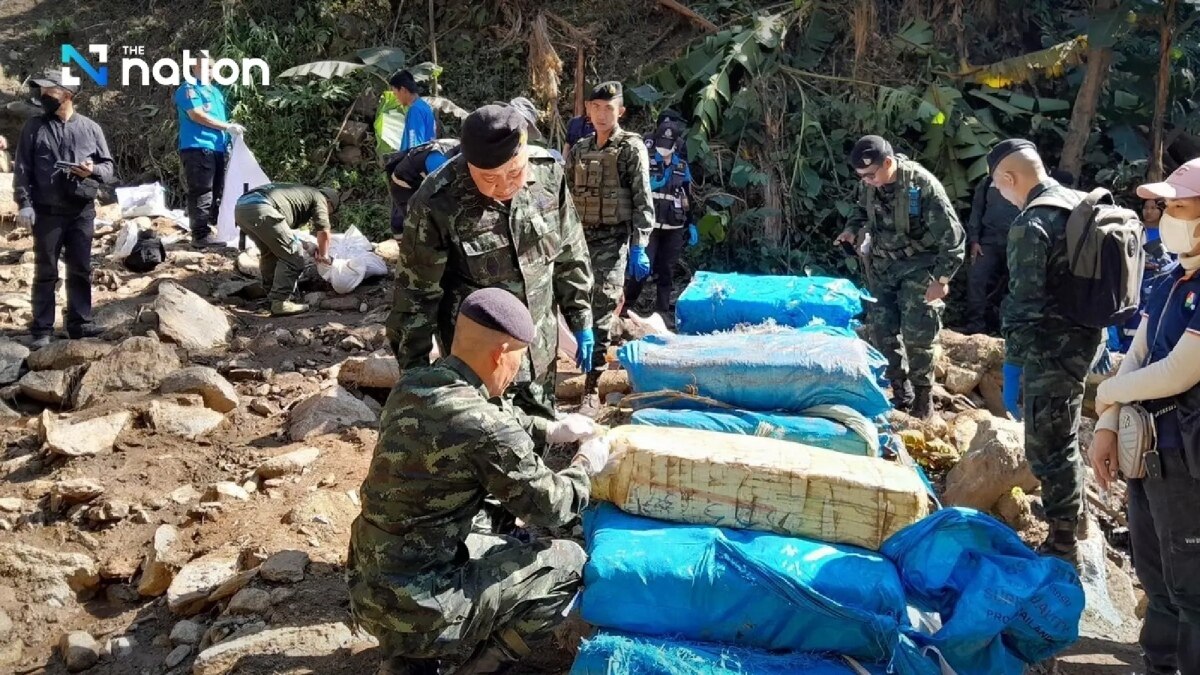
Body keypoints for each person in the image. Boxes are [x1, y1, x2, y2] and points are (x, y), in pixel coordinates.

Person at [348, 288, 609, 675]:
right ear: (500, 354)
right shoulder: (486, 427)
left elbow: (480, 420)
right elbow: (551, 506)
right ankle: (475, 668)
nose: (517, 372)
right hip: (421, 602)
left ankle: (405, 659)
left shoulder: (415, 385)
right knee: (567, 562)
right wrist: (586, 464)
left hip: (369, 585)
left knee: (493, 530)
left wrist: (551, 429)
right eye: (518, 361)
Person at [387, 104, 594, 421]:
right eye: (489, 178)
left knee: (540, 437)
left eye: (514, 172)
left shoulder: (549, 177)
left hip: (539, 350)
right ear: (468, 164)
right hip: (479, 365)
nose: (504, 185)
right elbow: (415, 295)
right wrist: (416, 377)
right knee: (487, 451)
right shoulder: (437, 201)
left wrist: (580, 316)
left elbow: (569, 252)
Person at [1088, 158, 1200, 674]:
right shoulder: (1171, 277)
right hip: (1153, 458)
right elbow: (1138, 353)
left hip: (1190, 462)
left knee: (1193, 589)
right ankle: (1157, 666)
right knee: (1157, 582)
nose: (1166, 216)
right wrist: (1108, 423)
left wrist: (1108, 393)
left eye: (1179, 206)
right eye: (1167, 206)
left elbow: (1178, 371)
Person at [990, 138, 1102, 563]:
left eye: (997, 187)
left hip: (1049, 351)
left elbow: (1024, 304)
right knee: (1066, 434)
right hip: (1086, 342)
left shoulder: (1032, 221)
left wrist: (1014, 363)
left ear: (1009, 178)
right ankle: (1076, 519)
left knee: (1048, 445)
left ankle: (1062, 544)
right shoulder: (1079, 202)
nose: (999, 194)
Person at [835, 135, 965, 419]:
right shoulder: (870, 185)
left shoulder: (923, 185)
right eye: (862, 177)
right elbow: (860, 211)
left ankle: (923, 397)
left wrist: (941, 280)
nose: (867, 181)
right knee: (881, 329)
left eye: (871, 175)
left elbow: (953, 237)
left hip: (920, 266)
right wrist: (850, 229)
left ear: (889, 163)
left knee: (919, 333)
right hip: (883, 266)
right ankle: (899, 388)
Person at [565, 81, 655, 416]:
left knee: (601, 308)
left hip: (614, 241)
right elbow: (566, 199)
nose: (602, 114)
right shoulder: (580, 148)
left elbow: (642, 199)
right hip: (578, 240)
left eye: (609, 108)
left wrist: (639, 245)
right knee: (572, 303)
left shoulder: (630, 148)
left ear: (621, 111)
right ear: (588, 110)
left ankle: (592, 390)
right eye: (596, 107)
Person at [13, 70, 114, 349]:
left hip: (81, 210)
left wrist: (92, 170)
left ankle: (80, 324)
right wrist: (24, 204)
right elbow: (22, 169)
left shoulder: (90, 128)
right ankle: (42, 328)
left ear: (67, 95)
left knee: (80, 268)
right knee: (46, 271)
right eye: (42, 92)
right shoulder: (34, 127)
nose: (42, 97)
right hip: (46, 212)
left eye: (49, 92)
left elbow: (108, 168)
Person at [623, 123, 698, 319]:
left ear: (675, 145)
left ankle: (662, 311)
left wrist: (691, 223)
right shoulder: (646, 162)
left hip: (674, 226)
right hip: (650, 226)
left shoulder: (682, 167)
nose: (664, 148)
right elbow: (634, 190)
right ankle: (625, 306)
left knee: (667, 270)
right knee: (641, 269)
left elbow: (687, 197)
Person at [232, 183, 338, 316]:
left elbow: (281, 232)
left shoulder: (301, 193)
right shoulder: (319, 198)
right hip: (260, 207)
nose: (327, 213)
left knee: (271, 253)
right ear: (328, 202)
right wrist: (324, 255)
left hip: (242, 208)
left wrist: (307, 245)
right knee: (294, 254)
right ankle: (279, 302)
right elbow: (323, 231)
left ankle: (271, 295)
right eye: (330, 211)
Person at [174, 58, 244, 248]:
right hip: (197, 145)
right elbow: (196, 115)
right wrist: (227, 126)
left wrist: (228, 138)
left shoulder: (215, 92)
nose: (209, 70)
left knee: (217, 190)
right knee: (202, 190)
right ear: (194, 68)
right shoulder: (188, 89)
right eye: (204, 67)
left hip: (218, 147)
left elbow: (218, 118)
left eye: (212, 67)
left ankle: (213, 229)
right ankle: (200, 234)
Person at [963, 174, 1019, 334]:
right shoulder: (988, 182)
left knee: (1016, 287)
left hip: (1018, 243)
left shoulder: (1025, 179)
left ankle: (1008, 329)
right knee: (976, 279)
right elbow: (977, 210)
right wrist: (974, 240)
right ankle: (975, 326)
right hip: (988, 242)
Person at [386, 139, 460, 239]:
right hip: (405, 186)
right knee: (420, 227)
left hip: (420, 178)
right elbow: (444, 198)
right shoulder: (439, 161)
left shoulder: (463, 147)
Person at [393, 70, 436, 153]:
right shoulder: (425, 106)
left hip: (416, 162)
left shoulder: (415, 110)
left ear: (402, 90)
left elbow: (414, 148)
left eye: (395, 93)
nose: (396, 98)